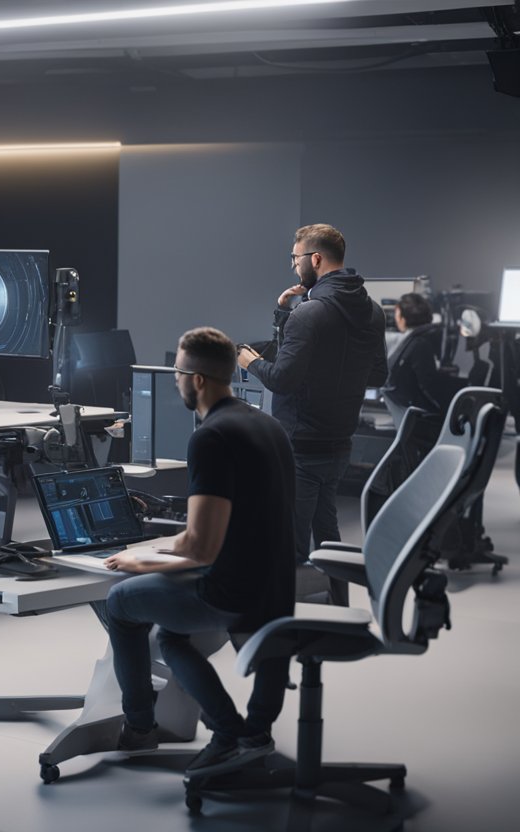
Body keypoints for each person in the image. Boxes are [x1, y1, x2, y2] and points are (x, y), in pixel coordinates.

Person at [104, 327, 295, 777]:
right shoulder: (268, 425)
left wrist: (141, 560)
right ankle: (238, 730)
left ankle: (142, 728)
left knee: (120, 601)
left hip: (232, 593)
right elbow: (244, 522)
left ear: (199, 380)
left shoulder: (209, 438)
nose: (174, 381)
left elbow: (202, 548)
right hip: (276, 587)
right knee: (171, 636)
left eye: (177, 373)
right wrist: (173, 544)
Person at [237, 224, 387, 563]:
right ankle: (335, 608)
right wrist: (283, 316)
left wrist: (250, 362)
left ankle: (290, 614)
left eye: (295, 257)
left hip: (300, 446)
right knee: (328, 539)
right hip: (338, 443)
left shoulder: (311, 313)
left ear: (315, 258)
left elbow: (282, 379)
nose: (293, 265)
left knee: (289, 544)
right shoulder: (373, 312)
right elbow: (378, 373)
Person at [381, 293, 459, 425]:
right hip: (416, 419)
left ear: (403, 318)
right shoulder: (420, 343)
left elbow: (426, 384)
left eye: (397, 314)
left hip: (410, 417)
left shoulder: (416, 343)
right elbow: (429, 385)